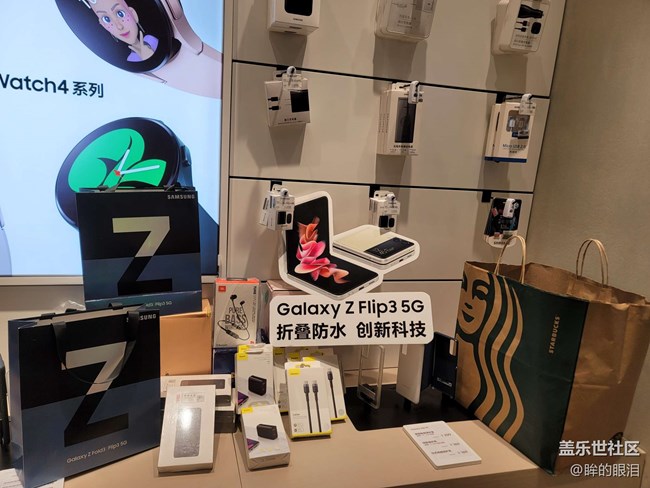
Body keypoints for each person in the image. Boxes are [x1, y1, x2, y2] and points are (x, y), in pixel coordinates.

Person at [82, 0, 158, 62]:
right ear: (104, 26)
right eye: (107, 19)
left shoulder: (152, 39)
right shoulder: (131, 59)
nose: (119, 26)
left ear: (133, 14)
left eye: (120, 14)